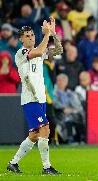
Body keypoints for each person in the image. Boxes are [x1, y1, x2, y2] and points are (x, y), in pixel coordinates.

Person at [7, 17, 62, 175]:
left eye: (32, 35)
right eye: (27, 36)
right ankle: (46, 167)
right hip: (31, 99)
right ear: (21, 39)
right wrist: (46, 35)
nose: (31, 37)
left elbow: (57, 51)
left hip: (40, 98)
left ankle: (13, 163)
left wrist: (52, 33)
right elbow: (38, 51)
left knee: (34, 135)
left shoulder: (39, 51)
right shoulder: (21, 53)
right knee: (45, 128)